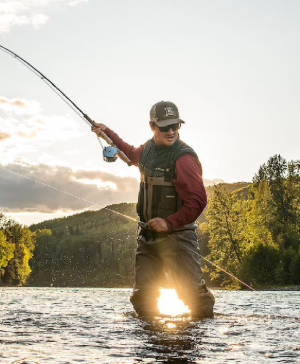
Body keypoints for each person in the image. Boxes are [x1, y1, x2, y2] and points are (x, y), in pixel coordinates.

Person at [92, 101, 215, 318]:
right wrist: (106, 133)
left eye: (175, 126)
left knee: (195, 300)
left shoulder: (184, 158)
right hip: (148, 237)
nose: (170, 131)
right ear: (152, 126)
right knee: (143, 299)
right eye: (165, 126)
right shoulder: (148, 150)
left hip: (179, 238)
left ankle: (197, 343)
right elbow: (130, 154)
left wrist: (169, 223)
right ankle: (150, 347)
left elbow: (198, 201)